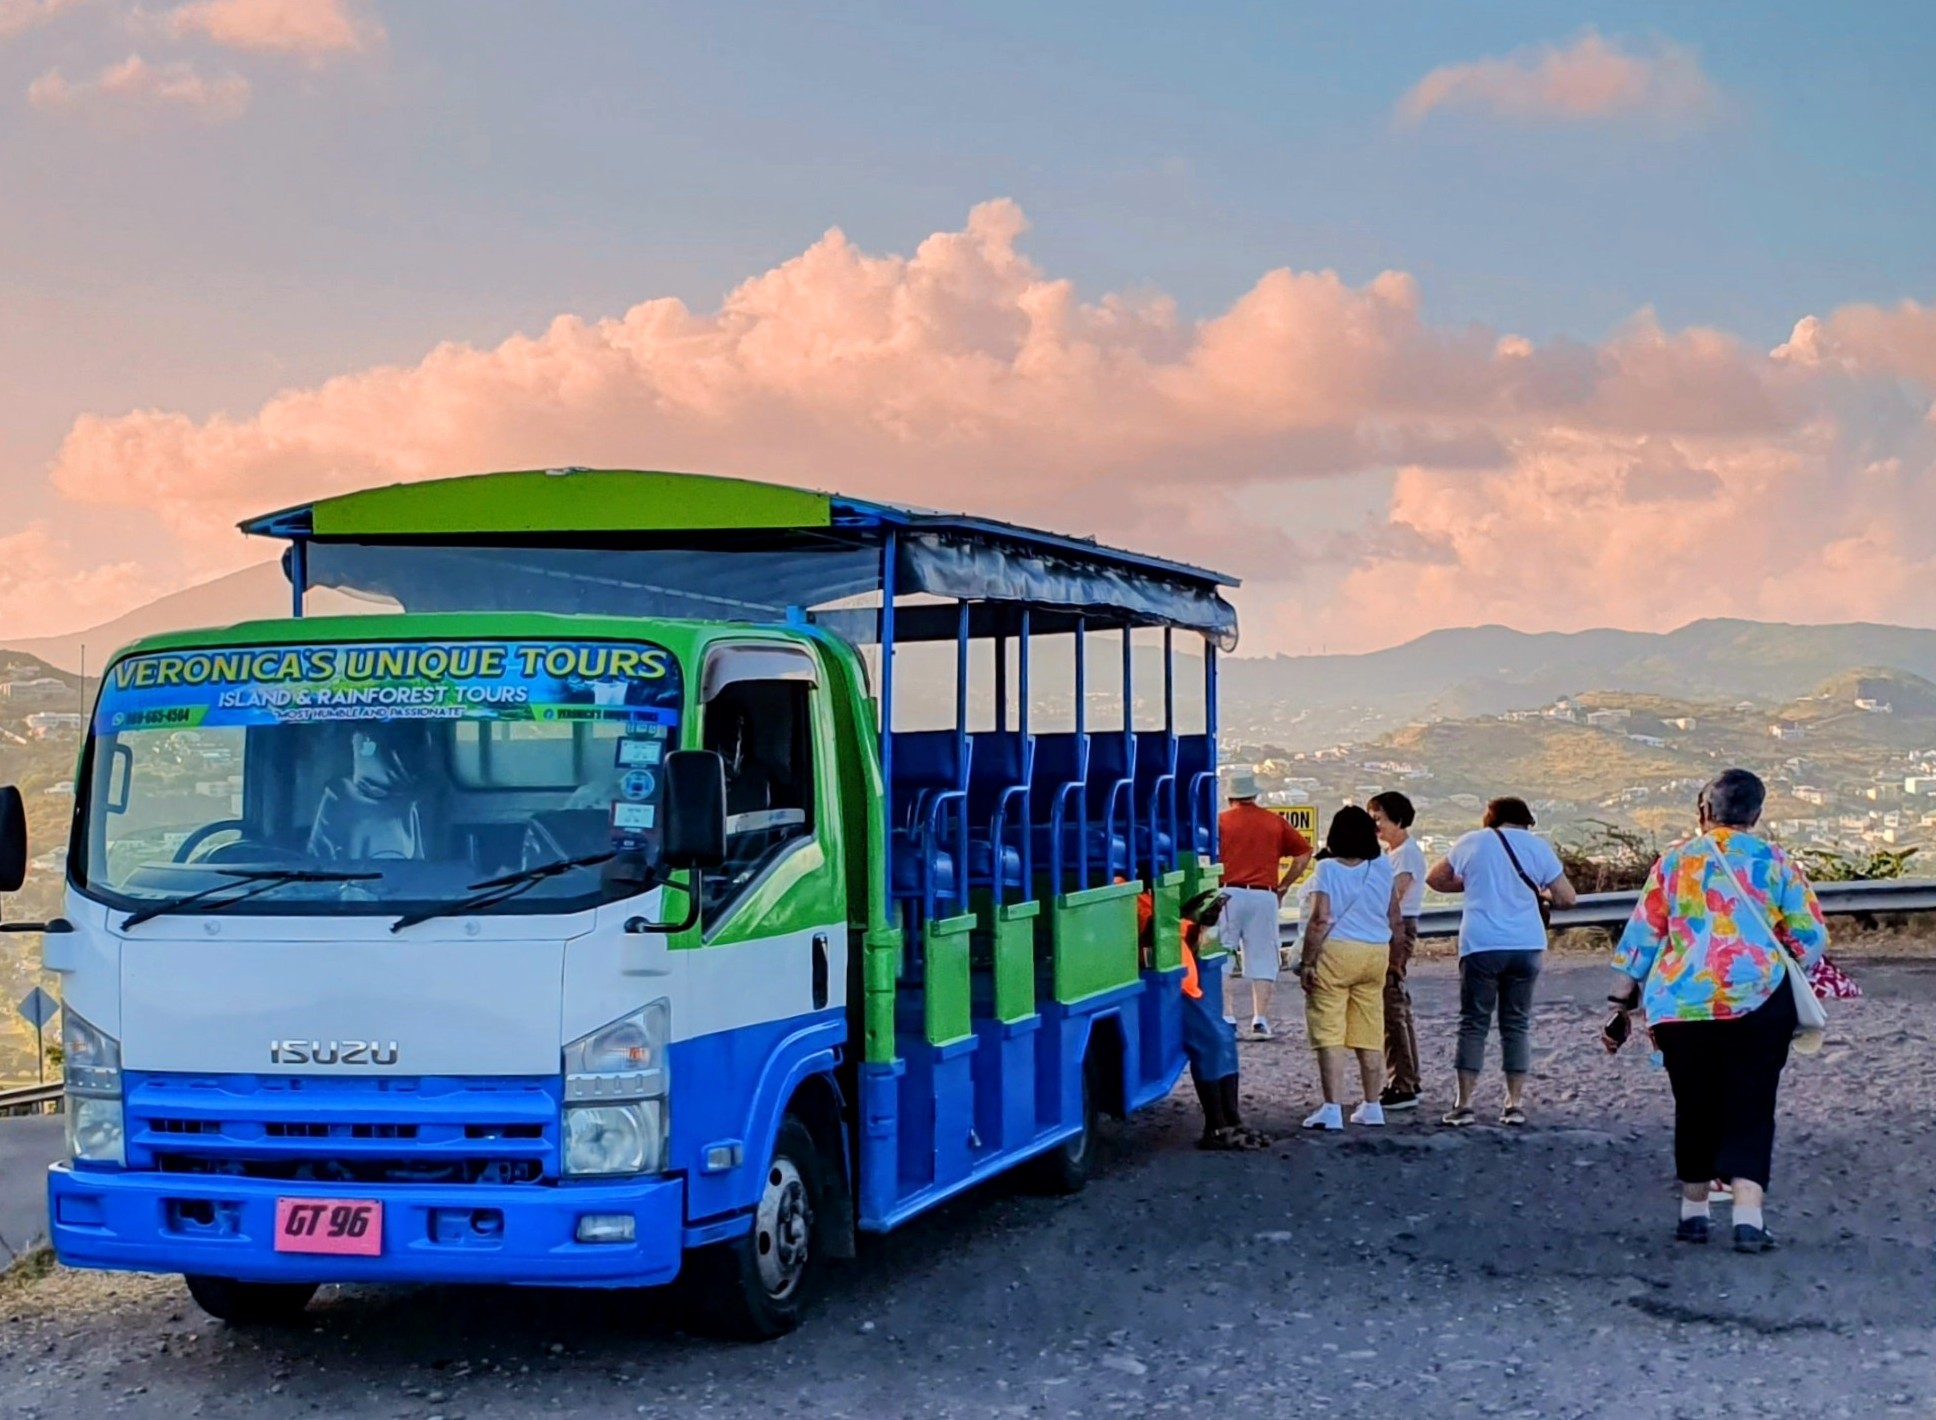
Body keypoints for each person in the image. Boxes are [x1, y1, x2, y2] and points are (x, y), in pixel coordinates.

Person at [1604, 769, 1828, 1253]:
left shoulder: (1674, 862)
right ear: (1757, 813)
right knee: (1752, 1105)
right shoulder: (1776, 862)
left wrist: (1620, 1003)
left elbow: (1641, 936)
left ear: (1704, 811)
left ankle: (1694, 1215)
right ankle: (1748, 1220)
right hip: (1758, 1000)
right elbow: (1810, 938)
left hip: (1680, 1007)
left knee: (1694, 1105)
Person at [1426, 797, 1577, 1127]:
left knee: (1473, 1023)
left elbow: (1435, 878)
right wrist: (1543, 894)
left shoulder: (1472, 842)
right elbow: (1567, 898)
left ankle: (1464, 1104)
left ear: (1490, 818)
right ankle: (1514, 1104)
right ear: (1526, 820)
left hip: (1481, 944)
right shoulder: (1538, 847)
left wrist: (1472, 882)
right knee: (1516, 1024)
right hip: (1526, 945)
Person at [1139, 886, 1267, 1150]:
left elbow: (1187, 943)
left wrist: (1202, 922)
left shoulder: (1151, 897)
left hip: (1186, 986)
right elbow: (1147, 940)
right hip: (1171, 989)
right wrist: (1186, 915)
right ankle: (1215, 1126)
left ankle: (1232, 1120)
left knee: (1223, 1040)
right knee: (1212, 1043)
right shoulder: (1132, 899)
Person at [1295, 806, 1396, 1131]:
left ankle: (1332, 1108)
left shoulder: (1327, 868)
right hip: (1376, 952)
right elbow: (1393, 913)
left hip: (1337, 952)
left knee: (1329, 1029)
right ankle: (1372, 1105)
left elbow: (1320, 919)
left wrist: (1307, 962)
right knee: (1369, 1028)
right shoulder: (1382, 865)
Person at [1217, 769, 1313, 1039]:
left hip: (1227, 893)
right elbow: (1303, 854)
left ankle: (1228, 1016)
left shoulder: (1220, 822)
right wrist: (1285, 885)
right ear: (1254, 795)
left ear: (1230, 797)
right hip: (1264, 895)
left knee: (1222, 955)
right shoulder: (1274, 822)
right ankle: (1260, 1019)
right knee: (1263, 957)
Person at [1368, 791, 1425, 1112]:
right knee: (1396, 1005)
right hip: (1395, 928)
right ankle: (1408, 1078)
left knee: (1391, 1007)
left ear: (1398, 820)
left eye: (1379, 820)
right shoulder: (1394, 854)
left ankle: (1402, 1083)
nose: (1376, 826)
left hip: (1396, 930)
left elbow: (1394, 898)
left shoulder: (1405, 856)